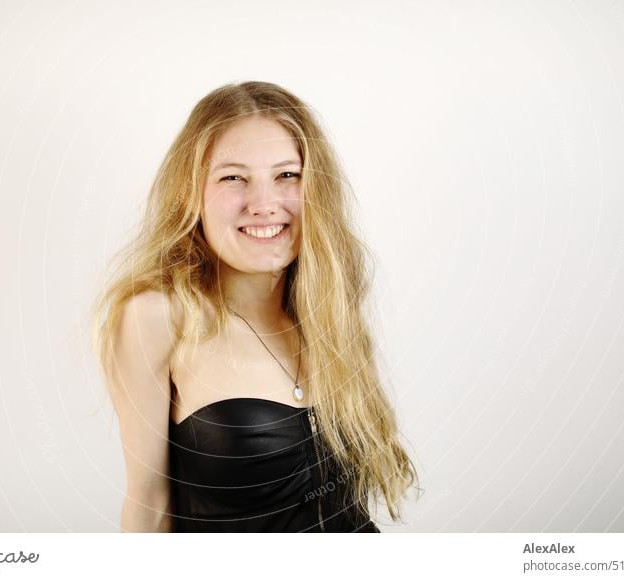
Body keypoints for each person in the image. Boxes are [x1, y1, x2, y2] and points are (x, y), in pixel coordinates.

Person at [92, 80, 421, 532]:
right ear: (191, 192)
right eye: (233, 177)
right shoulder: (157, 316)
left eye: (287, 175)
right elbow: (149, 506)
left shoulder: (326, 309)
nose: (264, 204)